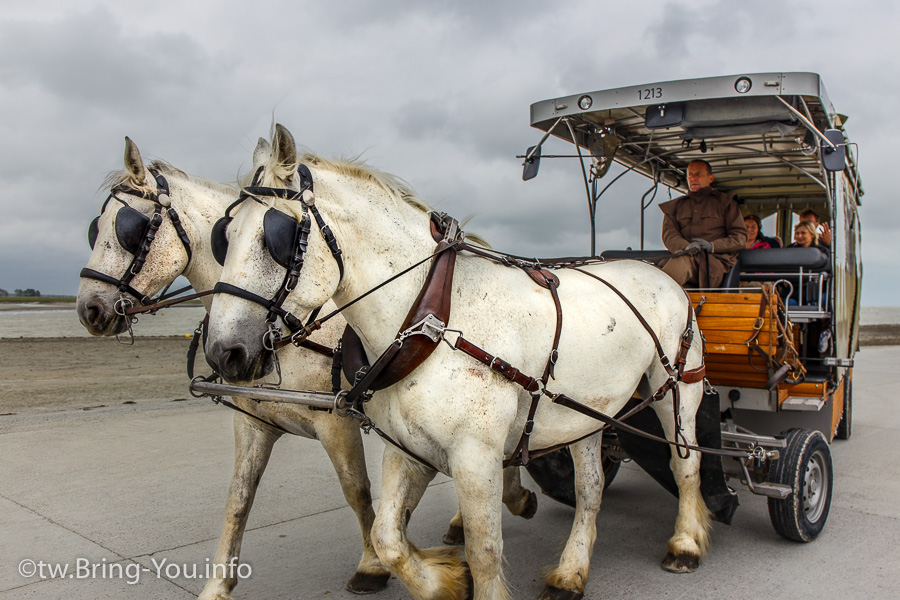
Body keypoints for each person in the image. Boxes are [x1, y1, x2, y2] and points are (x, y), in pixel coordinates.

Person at [659, 160, 747, 287]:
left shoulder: (725, 203)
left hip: (713, 264)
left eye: (698, 174)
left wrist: (712, 246)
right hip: (682, 258)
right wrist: (686, 247)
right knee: (655, 268)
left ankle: (652, 298)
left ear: (710, 178)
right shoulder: (675, 207)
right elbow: (669, 235)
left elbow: (740, 238)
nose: (693, 178)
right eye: (690, 174)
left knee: (681, 264)